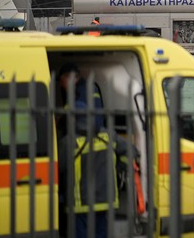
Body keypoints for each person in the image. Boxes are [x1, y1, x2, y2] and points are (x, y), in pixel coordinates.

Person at [59, 100, 137, 238]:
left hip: (80, 205)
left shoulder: (68, 142)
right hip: (105, 202)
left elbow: (57, 170)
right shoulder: (108, 136)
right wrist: (119, 168)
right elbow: (131, 151)